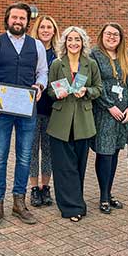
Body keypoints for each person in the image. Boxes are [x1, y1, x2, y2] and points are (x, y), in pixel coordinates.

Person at [0, 3, 48, 226]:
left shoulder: (36, 45)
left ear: (28, 22)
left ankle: (19, 203)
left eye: (22, 18)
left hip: (27, 110)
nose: (18, 21)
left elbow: (43, 72)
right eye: (14, 17)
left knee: (25, 157)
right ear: (7, 19)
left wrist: (40, 86)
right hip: (1, 110)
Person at [46, 26, 102, 221]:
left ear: (83, 42)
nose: (73, 43)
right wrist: (57, 93)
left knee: (78, 166)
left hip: (82, 122)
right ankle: (71, 208)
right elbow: (50, 92)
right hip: (61, 122)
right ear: (65, 42)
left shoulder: (91, 64)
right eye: (70, 39)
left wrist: (87, 91)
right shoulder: (56, 64)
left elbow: (99, 89)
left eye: (77, 39)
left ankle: (77, 202)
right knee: (63, 168)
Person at [90, 23, 128, 214]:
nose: (112, 37)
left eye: (116, 34)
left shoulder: (127, 56)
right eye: (108, 34)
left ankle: (109, 192)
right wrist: (109, 105)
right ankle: (103, 196)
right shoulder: (94, 55)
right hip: (105, 113)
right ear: (101, 35)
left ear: (121, 38)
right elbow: (95, 82)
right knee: (104, 153)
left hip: (124, 114)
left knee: (114, 153)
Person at [28, 15, 60, 207]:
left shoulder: (60, 54)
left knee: (48, 151)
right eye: (42, 27)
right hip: (31, 108)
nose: (46, 30)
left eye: (49, 27)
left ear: (54, 31)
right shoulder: (30, 51)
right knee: (31, 151)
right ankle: (33, 189)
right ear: (37, 30)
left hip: (53, 109)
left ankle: (46, 188)